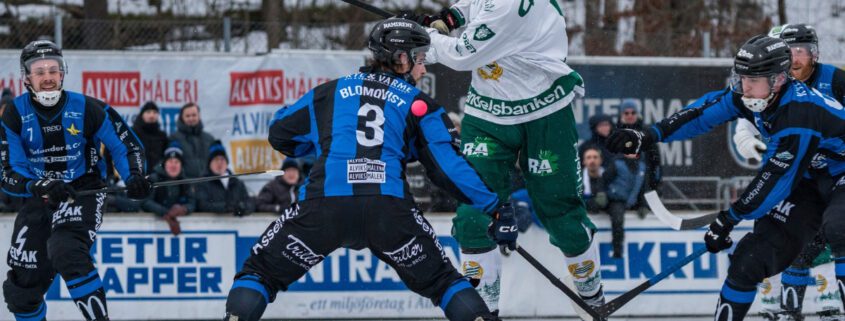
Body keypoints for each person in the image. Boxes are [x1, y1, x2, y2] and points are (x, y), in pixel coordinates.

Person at [223, 18, 516, 321]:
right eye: (419, 59)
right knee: (444, 282)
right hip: (388, 213)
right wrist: (494, 207)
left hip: (325, 208)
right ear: (401, 59)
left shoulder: (330, 93)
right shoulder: (420, 104)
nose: (423, 68)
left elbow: (280, 132)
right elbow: (447, 168)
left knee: (260, 273)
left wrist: (323, 143)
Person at [605, 35, 845, 321]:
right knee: (747, 261)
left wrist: (729, 218)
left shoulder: (800, 114)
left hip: (837, 175)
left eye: (753, 80)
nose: (745, 87)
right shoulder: (753, 94)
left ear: (779, 79)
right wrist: (649, 136)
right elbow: (703, 113)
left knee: (839, 228)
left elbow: (775, 181)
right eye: (741, 78)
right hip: (807, 180)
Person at [405, 0, 605, 310]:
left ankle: (591, 294)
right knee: (472, 215)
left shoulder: (509, 6)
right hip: (488, 111)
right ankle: (483, 312)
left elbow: (461, 55)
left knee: (561, 214)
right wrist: (448, 17)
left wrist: (420, 35)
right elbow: (476, 7)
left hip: (545, 109)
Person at [1, 40, 150, 321]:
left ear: (62, 73)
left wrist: (135, 176)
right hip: (40, 194)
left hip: (83, 189)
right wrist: (39, 185)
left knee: (66, 250)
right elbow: (9, 169)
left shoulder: (88, 107)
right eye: (39, 70)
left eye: (53, 70)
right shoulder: (14, 114)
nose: (47, 77)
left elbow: (125, 145)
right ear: (26, 78)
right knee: (22, 289)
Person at [731, 23, 845, 321]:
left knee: (834, 231)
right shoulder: (771, 83)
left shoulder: (834, 79)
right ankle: (784, 308)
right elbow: (744, 112)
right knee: (783, 236)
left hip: (835, 173)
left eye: (801, 51)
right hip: (797, 174)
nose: (795, 58)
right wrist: (744, 138)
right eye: (789, 51)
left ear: (814, 54)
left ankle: (828, 302)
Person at [142, 142, 195, 235]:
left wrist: (184, 209)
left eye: (176, 162)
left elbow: (193, 202)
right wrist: (166, 213)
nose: (173, 165)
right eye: (170, 161)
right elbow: (146, 202)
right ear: (164, 163)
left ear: (181, 165)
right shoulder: (154, 179)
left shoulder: (185, 181)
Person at [196, 141, 255, 216]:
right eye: (216, 159)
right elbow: (202, 205)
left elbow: (249, 203)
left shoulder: (237, 183)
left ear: (227, 162)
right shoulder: (203, 182)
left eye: (222, 159)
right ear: (209, 163)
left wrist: (242, 207)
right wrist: (227, 207)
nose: (219, 162)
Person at [168, 102, 216, 178]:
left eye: (194, 115)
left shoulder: (209, 139)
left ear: (199, 116)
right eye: (187, 116)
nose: (191, 118)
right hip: (185, 186)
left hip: (208, 186)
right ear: (182, 118)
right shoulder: (173, 138)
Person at [133, 101, 168, 169]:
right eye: (148, 112)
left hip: (158, 176)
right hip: (138, 174)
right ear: (142, 114)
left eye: (155, 112)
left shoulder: (162, 136)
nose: (152, 115)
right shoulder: (134, 133)